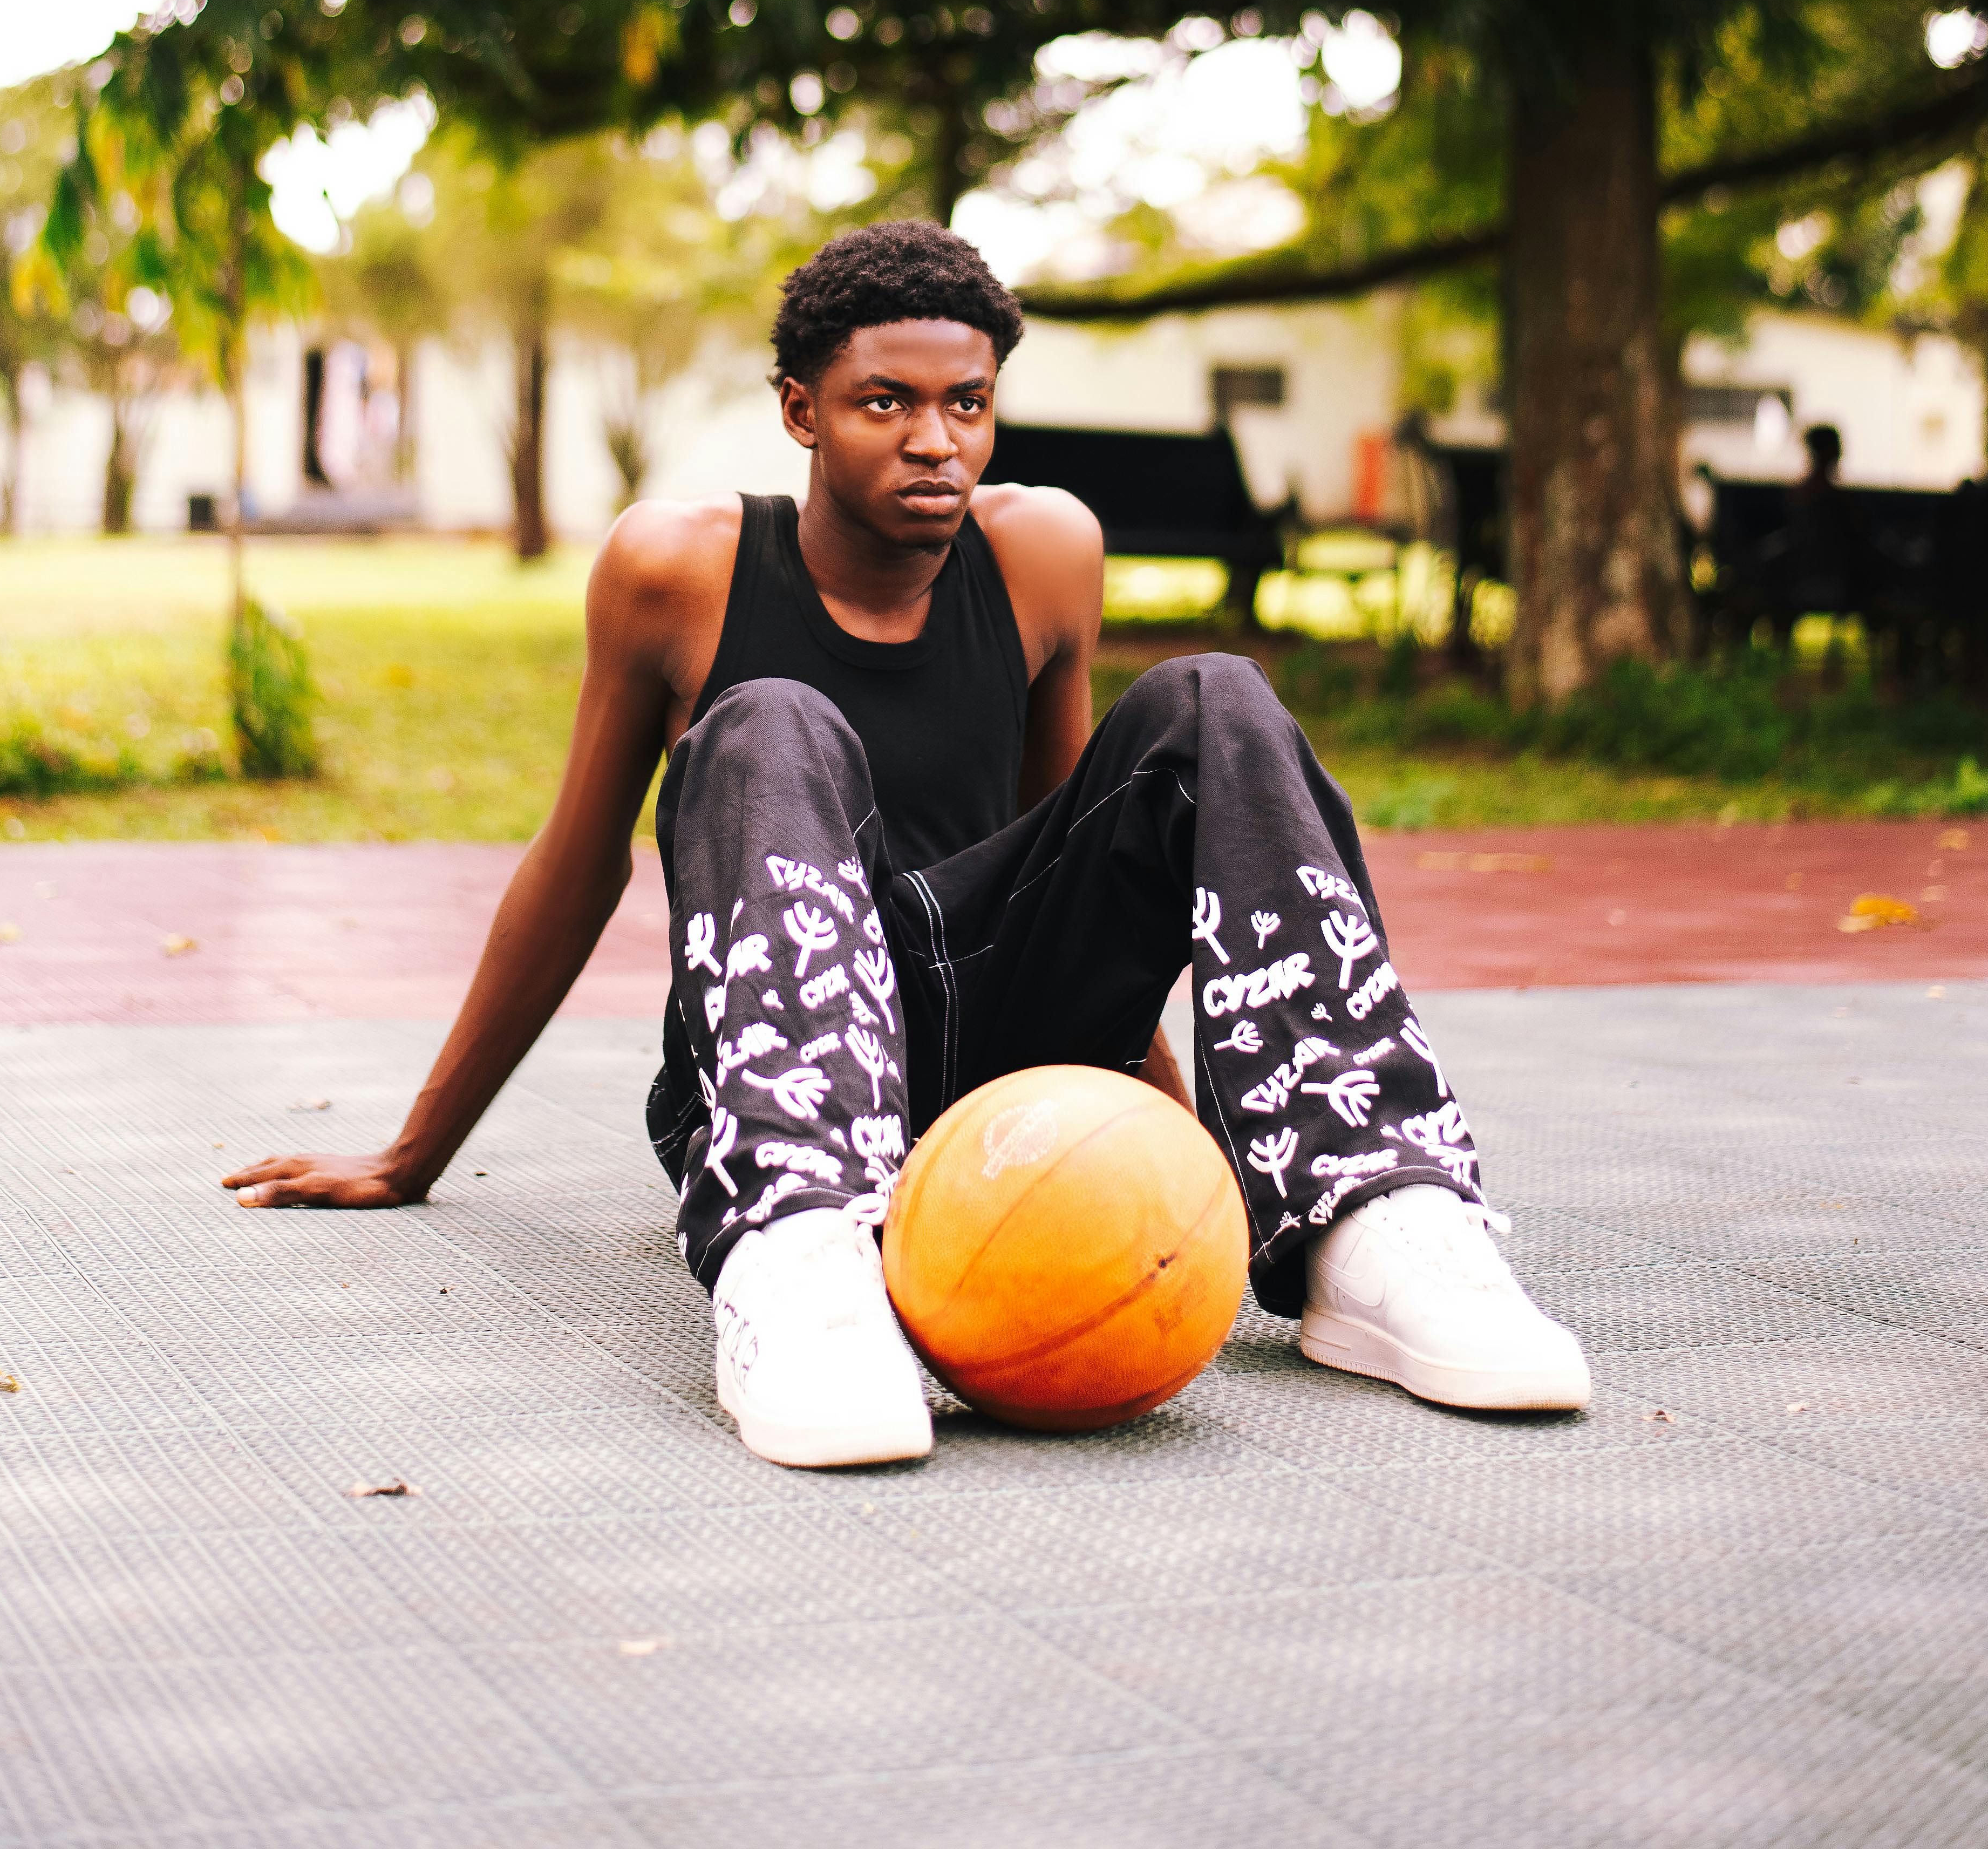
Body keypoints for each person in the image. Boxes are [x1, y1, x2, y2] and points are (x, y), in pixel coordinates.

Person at [225, 221, 1589, 1465]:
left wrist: (1189, 1160)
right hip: (781, 1054)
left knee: (1213, 700)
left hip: (995, 1041)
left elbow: (1099, 866)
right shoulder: (677, 569)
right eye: (887, 402)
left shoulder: (1044, 550)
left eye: (967, 402)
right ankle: (802, 1256)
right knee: (766, 721)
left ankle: (1369, 1213)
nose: (935, 438)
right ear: (800, 412)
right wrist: (413, 1151)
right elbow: (578, 866)